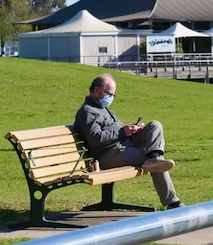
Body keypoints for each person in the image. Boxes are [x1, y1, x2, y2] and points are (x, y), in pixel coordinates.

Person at [75, 74, 184, 209]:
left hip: (124, 144)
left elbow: (115, 130)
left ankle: (154, 157)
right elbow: (95, 138)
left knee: (154, 125)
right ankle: (173, 203)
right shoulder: (88, 111)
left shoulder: (103, 108)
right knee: (156, 163)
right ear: (97, 90)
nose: (111, 98)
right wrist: (122, 132)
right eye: (109, 94)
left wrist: (132, 129)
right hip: (109, 153)